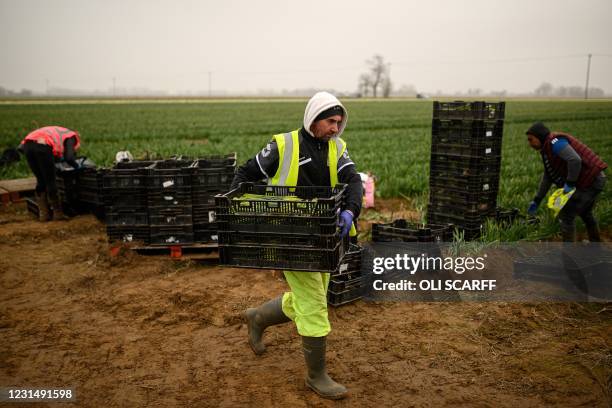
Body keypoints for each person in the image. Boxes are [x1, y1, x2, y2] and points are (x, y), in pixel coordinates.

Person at [231, 91, 362, 400]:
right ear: (313, 118)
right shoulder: (282, 145)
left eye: (339, 122)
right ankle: (317, 377)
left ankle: (258, 317)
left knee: (306, 298)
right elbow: (243, 177)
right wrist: (247, 219)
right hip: (288, 237)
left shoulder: (336, 148)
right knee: (315, 304)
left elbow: (354, 181)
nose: (335, 128)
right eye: (330, 121)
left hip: (323, 238)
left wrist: (349, 210)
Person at [526, 122, 607, 242]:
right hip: (590, 180)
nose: (530, 144)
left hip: (591, 181)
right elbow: (548, 177)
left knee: (566, 215)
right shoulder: (547, 150)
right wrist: (537, 199)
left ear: (539, 137)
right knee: (585, 213)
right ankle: (595, 245)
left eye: (531, 140)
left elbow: (574, 160)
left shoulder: (555, 143)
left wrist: (569, 184)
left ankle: (568, 256)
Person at [20, 126, 81, 221]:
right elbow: (69, 157)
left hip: (27, 145)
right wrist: (77, 167)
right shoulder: (71, 136)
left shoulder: (58, 131)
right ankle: (58, 214)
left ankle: (44, 215)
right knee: (50, 181)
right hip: (43, 145)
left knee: (40, 180)